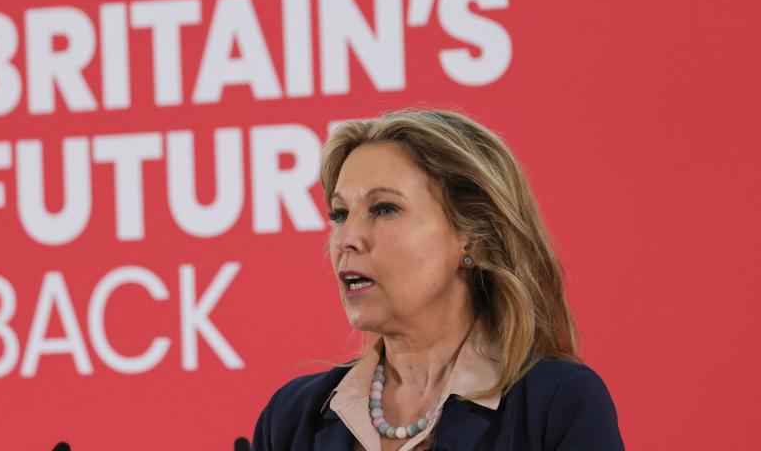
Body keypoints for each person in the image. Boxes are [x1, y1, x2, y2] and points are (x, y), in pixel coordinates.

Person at [251, 109, 624, 450]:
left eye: (384, 209)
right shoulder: (291, 417)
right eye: (339, 214)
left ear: (474, 238)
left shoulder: (558, 403)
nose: (347, 237)